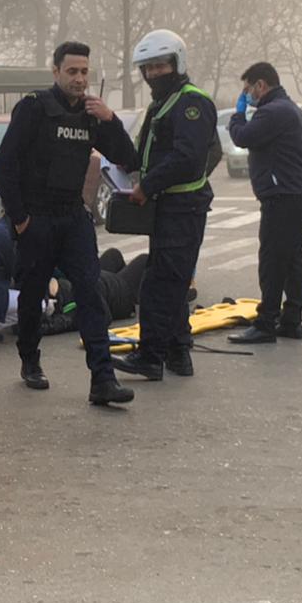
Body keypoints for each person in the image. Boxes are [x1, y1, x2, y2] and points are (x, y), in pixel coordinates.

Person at [0, 40, 136, 406]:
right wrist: (21, 219)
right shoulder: (34, 109)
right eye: (72, 71)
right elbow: (4, 165)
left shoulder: (91, 113)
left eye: (84, 72)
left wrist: (111, 120)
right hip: (36, 218)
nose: (79, 79)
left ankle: (102, 379)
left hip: (73, 218)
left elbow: (127, 158)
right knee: (33, 294)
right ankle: (30, 358)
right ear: (56, 72)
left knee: (90, 292)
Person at [112, 29, 217, 381]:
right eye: (148, 68)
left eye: (160, 66)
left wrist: (149, 184)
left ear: (177, 63)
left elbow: (189, 158)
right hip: (170, 206)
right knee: (169, 281)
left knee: (158, 284)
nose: (154, 73)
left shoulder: (191, 102)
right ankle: (177, 353)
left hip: (182, 207)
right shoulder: (164, 103)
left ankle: (151, 356)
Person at [224, 61, 302, 344]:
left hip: (282, 196)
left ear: (261, 85)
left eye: (248, 89)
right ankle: (291, 319)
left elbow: (242, 136)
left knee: (273, 260)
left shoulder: (272, 112)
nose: (247, 94)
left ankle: (266, 323)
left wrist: (238, 114)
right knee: (291, 258)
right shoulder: (293, 110)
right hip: (298, 194)